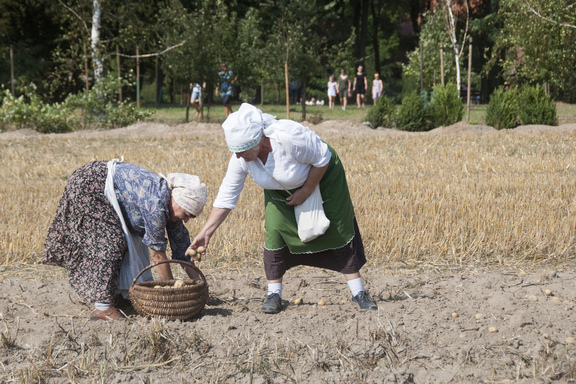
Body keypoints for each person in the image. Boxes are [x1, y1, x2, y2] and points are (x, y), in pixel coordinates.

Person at [189, 103, 377, 314]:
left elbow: (322, 157)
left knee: (336, 229)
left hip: (322, 178)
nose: (238, 156)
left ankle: (358, 292)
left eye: (241, 150)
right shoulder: (242, 159)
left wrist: (306, 191)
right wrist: (206, 233)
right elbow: (226, 196)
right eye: (235, 151)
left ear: (257, 141)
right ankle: (274, 294)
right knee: (275, 232)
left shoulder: (289, 138)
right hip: (280, 190)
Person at [43, 160, 208, 321]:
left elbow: (183, 252)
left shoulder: (171, 206)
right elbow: (157, 255)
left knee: (129, 241)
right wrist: (171, 293)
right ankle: (102, 308)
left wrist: (201, 288)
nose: (185, 220)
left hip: (103, 186)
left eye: (190, 217)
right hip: (91, 186)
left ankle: (117, 293)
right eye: (186, 214)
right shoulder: (155, 204)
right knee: (110, 242)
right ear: (177, 201)